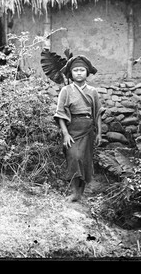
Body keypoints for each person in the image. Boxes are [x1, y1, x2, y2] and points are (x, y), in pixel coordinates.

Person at [53, 55, 102, 202]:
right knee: (74, 157)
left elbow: (98, 113)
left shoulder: (93, 91)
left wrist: (99, 133)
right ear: (71, 73)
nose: (79, 73)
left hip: (88, 129)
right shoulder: (66, 91)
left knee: (85, 160)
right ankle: (74, 192)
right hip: (72, 129)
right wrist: (66, 134)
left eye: (82, 70)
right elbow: (60, 114)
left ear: (87, 73)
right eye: (76, 70)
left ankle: (81, 193)